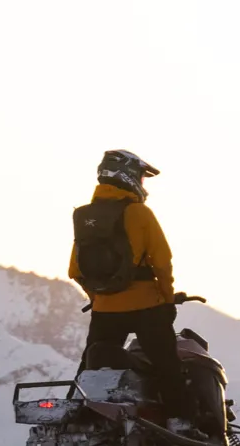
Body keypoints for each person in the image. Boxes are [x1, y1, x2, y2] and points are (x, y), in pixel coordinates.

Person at [69, 148, 195, 427]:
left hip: (104, 309)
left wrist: (101, 296)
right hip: (146, 305)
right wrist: (165, 299)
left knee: (92, 361)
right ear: (129, 177)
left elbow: (75, 270)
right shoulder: (139, 213)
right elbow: (162, 261)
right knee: (167, 366)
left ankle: (75, 420)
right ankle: (180, 423)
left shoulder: (85, 216)